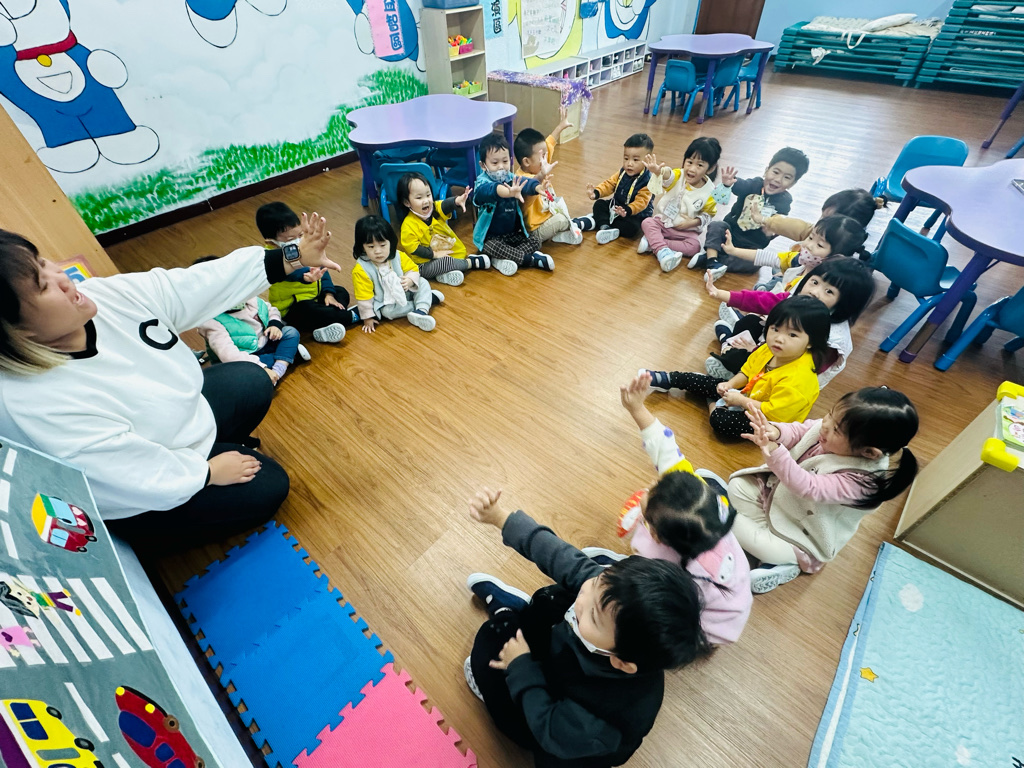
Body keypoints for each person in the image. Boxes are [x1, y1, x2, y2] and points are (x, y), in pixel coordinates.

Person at [0, 215, 339, 548]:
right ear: (18, 332)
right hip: (142, 496)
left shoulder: (102, 296)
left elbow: (192, 284)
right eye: (43, 285)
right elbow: (127, 474)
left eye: (43, 262)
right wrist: (207, 473)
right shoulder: (34, 402)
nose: (60, 277)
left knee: (251, 379)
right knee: (271, 485)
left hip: (169, 431)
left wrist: (291, 256)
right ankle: (174, 520)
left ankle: (214, 452)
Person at [463, 486, 711, 768]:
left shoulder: (608, 712)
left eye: (593, 615)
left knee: (492, 657)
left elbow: (551, 729)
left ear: (622, 661)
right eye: (597, 580)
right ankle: (517, 609)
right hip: (558, 646)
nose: (584, 594)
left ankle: (501, 644)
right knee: (550, 604)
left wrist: (521, 668)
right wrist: (501, 517)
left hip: (560, 732)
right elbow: (556, 553)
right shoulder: (611, 597)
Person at [584, 372, 751, 645]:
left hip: (704, 629)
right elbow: (666, 450)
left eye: (650, 495)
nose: (649, 486)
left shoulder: (660, 559)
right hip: (734, 597)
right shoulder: (703, 510)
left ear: (657, 536)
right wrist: (637, 408)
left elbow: (650, 590)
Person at [730, 388, 919, 593]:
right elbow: (800, 431)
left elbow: (808, 487)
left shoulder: (862, 481)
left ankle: (787, 562)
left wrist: (774, 451)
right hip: (781, 499)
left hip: (805, 535)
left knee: (734, 525)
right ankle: (766, 533)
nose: (825, 424)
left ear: (869, 453)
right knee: (737, 486)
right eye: (830, 413)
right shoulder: (829, 427)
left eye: (836, 429)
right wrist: (776, 432)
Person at [643, 295, 830, 439]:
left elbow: (774, 412)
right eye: (775, 329)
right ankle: (669, 379)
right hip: (749, 394)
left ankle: (713, 403)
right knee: (715, 383)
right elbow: (748, 371)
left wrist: (740, 401)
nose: (779, 338)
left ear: (811, 342)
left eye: (792, 335)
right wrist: (730, 384)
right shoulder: (769, 348)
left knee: (721, 422)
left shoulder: (799, 380)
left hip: (770, 421)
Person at [706, 257, 875, 387]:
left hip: (783, 377)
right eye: (815, 282)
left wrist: (755, 352)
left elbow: (795, 368)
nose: (814, 292)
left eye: (829, 291)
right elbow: (764, 301)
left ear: (844, 304)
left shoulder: (832, 341)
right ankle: (732, 341)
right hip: (772, 349)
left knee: (737, 356)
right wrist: (721, 294)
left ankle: (728, 350)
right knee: (750, 321)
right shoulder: (802, 299)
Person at [193, 255, 308, 386]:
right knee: (245, 372)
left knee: (291, 332)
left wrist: (274, 325)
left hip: (264, 341)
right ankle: (285, 358)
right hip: (243, 357)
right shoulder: (210, 322)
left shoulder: (249, 298)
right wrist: (261, 367)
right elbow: (229, 356)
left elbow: (271, 310)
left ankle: (277, 371)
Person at [697, 147, 810, 278]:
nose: (778, 179)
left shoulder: (785, 201)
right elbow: (740, 185)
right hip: (730, 232)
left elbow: (781, 223)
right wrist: (730, 183)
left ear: (793, 183)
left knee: (753, 264)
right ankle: (712, 260)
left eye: (787, 177)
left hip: (751, 245)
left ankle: (711, 259)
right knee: (717, 225)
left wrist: (771, 232)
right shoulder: (754, 184)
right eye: (775, 172)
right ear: (766, 170)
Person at [256, 201, 359, 343]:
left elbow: (322, 270)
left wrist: (328, 294)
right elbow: (293, 275)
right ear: (270, 241)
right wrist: (306, 278)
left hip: (315, 296)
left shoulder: (304, 245)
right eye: (291, 239)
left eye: (300, 235)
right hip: (293, 307)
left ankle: (327, 324)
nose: (297, 241)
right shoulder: (270, 258)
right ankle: (353, 316)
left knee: (340, 291)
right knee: (309, 311)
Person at [638, 137, 734, 272]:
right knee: (647, 222)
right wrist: (659, 171)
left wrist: (693, 223)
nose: (692, 169)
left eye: (700, 165)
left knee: (694, 247)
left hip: (685, 232)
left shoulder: (710, 191)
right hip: (664, 223)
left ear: (710, 168)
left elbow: (708, 214)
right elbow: (668, 175)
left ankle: (653, 244)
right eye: (689, 162)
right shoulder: (679, 175)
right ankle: (662, 251)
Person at [472, 133, 556, 276]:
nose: (501, 167)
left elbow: (526, 183)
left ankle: (502, 259)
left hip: (511, 234)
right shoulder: (482, 182)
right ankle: (530, 260)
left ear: (510, 160)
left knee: (535, 241)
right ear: (483, 165)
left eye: (505, 161)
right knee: (490, 247)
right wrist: (508, 192)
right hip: (491, 237)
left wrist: (538, 185)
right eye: (495, 163)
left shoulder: (511, 178)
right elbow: (489, 190)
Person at [719, 214, 869, 293]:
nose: (808, 245)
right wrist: (733, 250)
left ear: (836, 258)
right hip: (783, 290)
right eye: (811, 237)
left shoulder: (820, 286)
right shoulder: (801, 260)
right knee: (778, 267)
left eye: (819, 245)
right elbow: (767, 257)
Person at [352, 215, 444, 334]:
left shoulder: (398, 256)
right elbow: (364, 297)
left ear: (390, 242)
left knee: (422, 282)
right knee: (387, 313)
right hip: (387, 302)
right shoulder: (362, 269)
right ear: (362, 247)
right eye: (371, 247)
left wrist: (410, 280)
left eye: (382, 245)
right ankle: (427, 300)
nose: (378, 251)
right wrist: (367, 317)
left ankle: (421, 311)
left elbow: (413, 269)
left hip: (407, 292)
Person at [396, 172, 490, 287]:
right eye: (419, 198)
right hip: (424, 264)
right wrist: (435, 255)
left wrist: (457, 201)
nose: (426, 201)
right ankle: (470, 262)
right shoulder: (408, 225)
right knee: (445, 262)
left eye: (428, 195)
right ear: (407, 202)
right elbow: (416, 249)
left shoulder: (433, 209)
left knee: (452, 256)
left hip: (442, 252)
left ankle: (444, 275)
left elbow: (444, 205)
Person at [514, 107, 581, 245]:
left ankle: (567, 227)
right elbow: (528, 193)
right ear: (526, 161)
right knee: (563, 219)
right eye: (542, 155)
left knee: (562, 209)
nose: (546, 158)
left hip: (547, 216)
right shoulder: (521, 179)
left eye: (545, 154)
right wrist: (541, 175)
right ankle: (561, 234)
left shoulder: (539, 163)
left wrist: (561, 126)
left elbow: (549, 142)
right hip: (535, 230)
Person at [573, 133, 654, 245]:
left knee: (632, 228)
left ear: (647, 161)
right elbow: (610, 184)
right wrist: (596, 193)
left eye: (635, 160)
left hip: (634, 214)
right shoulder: (622, 172)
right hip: (616, 206)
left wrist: (627, 210)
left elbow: (642, 202)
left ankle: (600, 222)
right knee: (599, 204)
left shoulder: (649, 181)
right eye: (626, 158)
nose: (629, 163)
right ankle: (605, 227)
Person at [762, 188, 884, 241]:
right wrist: (767, 220)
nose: (819, 222)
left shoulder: (835, 257)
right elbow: (801, 228)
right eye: (822, 215)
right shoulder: (822, 233)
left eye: (825, 219)